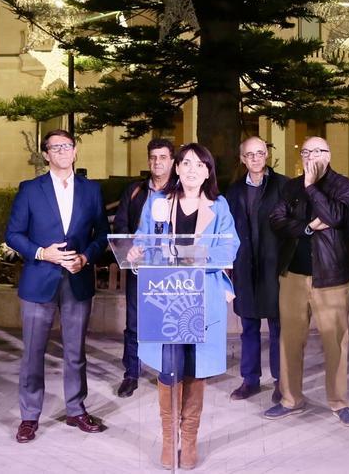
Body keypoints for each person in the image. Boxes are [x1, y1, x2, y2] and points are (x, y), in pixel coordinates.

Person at [130, 143, 236, 469]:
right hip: (166, 296)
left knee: (194, 367)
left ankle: (188, 441)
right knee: (168, 364)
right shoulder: (158, 203)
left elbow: (229, 249)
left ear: (208, 172)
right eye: (186, 163)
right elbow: (142, 239)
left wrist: (192, 259)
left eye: (199, 165)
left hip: (201, 297)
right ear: (176, 168)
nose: (192, 169)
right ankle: (168, 440)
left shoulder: (219, 207)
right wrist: (136, 252)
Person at [5, 130, 109, 443]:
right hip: (39, 280)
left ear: (75, 152)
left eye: (67, 145)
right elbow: (13, 233)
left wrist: (86, 258)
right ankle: (29, 416)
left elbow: (102, 234)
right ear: (47, 154)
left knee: (76, 353)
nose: (62, 151)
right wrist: (41, 252)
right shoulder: (30, 190)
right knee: (33, 353)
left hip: (77, 281)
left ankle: (76, 409)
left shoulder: (91, 190)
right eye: (55, 147)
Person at [265, 136, 349, 428]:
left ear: (328, 155)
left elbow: (335, 215)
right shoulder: (291, 186)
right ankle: (291, 399)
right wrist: (306, 227)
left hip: (331, 279)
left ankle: (338, 402)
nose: (310, 156)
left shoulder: (344, 186)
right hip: (292, 276)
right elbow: (276, 219)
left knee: (335, 344)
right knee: (290, 341)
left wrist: (311, 188)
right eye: (305, 151)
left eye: (317, 151)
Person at [225, 136, 288, 402]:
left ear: (267, 155)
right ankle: (250, 380)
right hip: (245, 268)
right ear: (242, 159)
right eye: (250, 155)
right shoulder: (234, 191)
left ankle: (280, 381)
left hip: (274, 268)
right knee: (248, 328)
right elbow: (227, 231)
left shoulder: (283, 186)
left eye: (260, 153)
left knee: (277, 328)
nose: (255, 159)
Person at [111, 138, 175, 399]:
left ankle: (169, 371)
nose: (157, 162)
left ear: (172, 160)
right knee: (135, 323)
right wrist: (131, 253)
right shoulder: (136, 191)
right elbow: (121, 226)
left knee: (169, 321)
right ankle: (131, 373)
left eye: (163, 157)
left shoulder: (182, 190)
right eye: (153, 157)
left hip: (171, 271)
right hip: (140, 268)